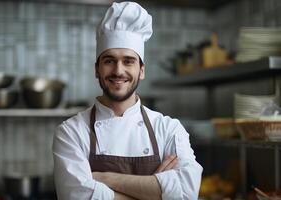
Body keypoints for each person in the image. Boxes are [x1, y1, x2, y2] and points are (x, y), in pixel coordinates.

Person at [52, 1, 203, 200]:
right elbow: (76, 196)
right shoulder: (71, 132)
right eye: (109, 60)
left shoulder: (169, 129)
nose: (118, 70)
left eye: (128, 61)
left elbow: (186, 194)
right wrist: (155, 191)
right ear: (97, 70)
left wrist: (105, 178)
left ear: (141, 70)